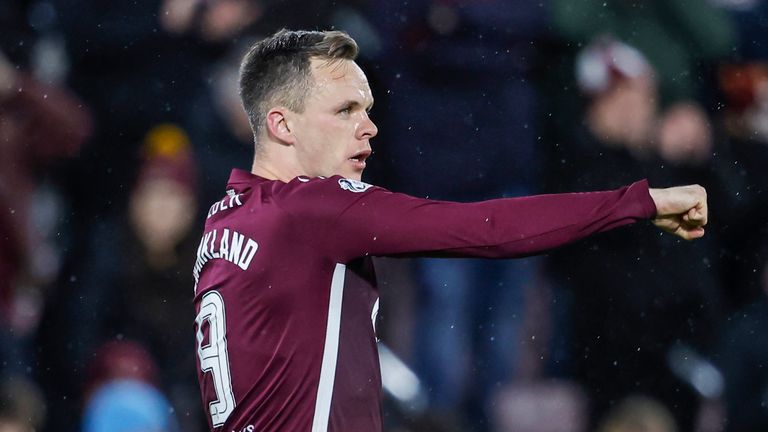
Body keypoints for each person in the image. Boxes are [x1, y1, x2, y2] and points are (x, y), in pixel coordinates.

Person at [192, 29, 708, 432]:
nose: (369, 127)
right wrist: (636, 202)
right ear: (282, 125)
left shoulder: (224, 219)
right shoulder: (312, 209)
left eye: (367, 109)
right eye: (345, 110)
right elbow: (485, 229)